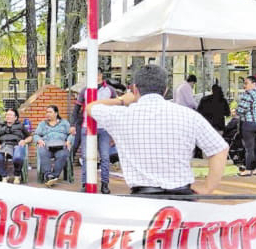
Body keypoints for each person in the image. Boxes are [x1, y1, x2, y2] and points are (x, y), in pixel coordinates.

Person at [87, 64, 228, 198]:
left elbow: (91, 107)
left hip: (142, 197)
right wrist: (208, 187)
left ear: (134, 89)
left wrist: (121, 100)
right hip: (182, 197)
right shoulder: (189, 115)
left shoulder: (120, 115)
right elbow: (219, 149)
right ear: (165, 89)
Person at [70, 67, 121, 194]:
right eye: (93, 74)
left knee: (104, 157)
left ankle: (105, 184)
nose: (96, 77)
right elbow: (76, 109)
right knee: (86, 156)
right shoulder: (85, 91)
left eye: (98, 74)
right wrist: (72, 124)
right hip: (87, 127)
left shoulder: (110, 90)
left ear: (101, 75)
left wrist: (114, 131)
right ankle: (84, 183)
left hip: (103, 128)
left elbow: (116, 110)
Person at [34, 105, 73, 187]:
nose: (48, 114)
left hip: (60, 146)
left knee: (63, 154)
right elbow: (36, 135)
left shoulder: (64, 123)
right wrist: (39, 140)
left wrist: (69, 141)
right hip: (47, 146)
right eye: (47, 112)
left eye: (50, 112)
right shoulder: (42, 124)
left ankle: (54, 176)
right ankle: (48, 175)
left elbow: (71, 134)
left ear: (56, 113)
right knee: (42, 150)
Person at [236, 75, 256, 177]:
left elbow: (241, 109)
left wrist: (236, 112)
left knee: (249, 148)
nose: (244, 86)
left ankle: (248, 169)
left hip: (249, 123)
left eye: (246, 83)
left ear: (254, 84)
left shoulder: (248, 94)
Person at [0, 108, 32, 184]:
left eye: (10, 115)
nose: (8, 116)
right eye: (7, 115)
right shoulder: (0, 126)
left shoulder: (20, 126)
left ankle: (17, 175)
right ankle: (4, 175)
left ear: (15, 117)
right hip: (3, 145)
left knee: (17, 157)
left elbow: (30, 137)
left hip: (16, 145)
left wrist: (24, 141)